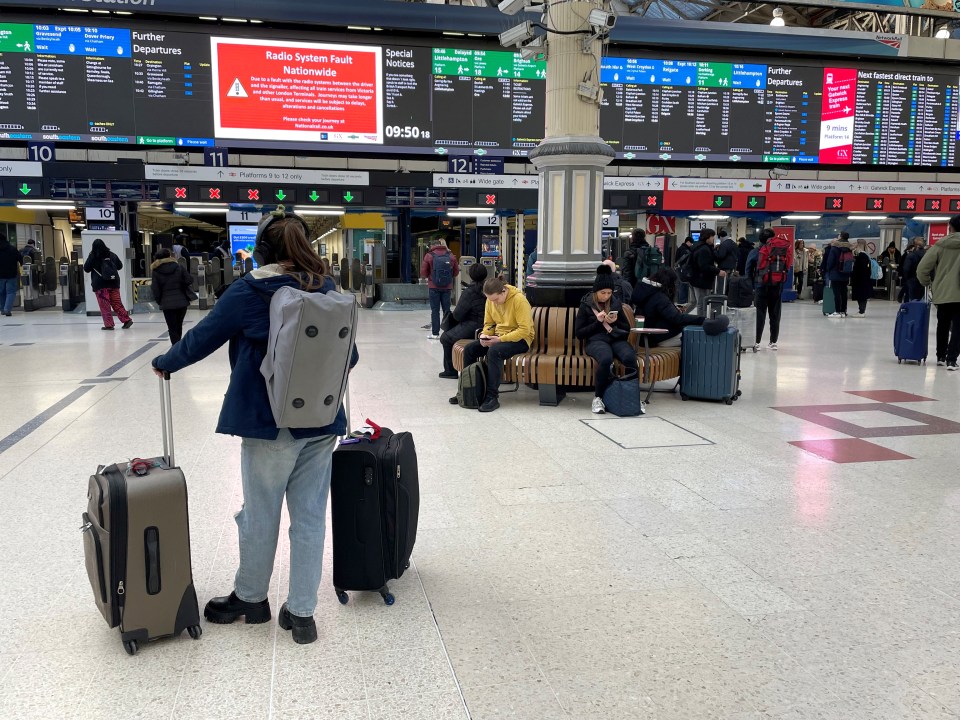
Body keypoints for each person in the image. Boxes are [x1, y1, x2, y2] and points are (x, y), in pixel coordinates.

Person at [151, 210, 358, 644]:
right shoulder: (327, 289)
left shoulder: (249, 290)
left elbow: (199, 340)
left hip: (271, 427)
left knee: (260, 513)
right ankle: (302, 614)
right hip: (322, 422)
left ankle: (251, 598)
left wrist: (163, 363)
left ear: (262, 249)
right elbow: (349, 357)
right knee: (309, 518)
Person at [450, 277, 534, 413]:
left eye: (495, 299)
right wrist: (484, 335)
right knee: (470, 349)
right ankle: (467, 389)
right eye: (490, 300)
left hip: (521, 340)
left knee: (495, 352)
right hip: (498, 337)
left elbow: (524, 331)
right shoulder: (490, 300)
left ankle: (492, 397)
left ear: (503, 291)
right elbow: (489, 323)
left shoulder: (519, 300)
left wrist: (500, 340)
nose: (493, 302)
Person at [576, 265, 637, 414]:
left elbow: (626, 329)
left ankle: (633, 396)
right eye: (603, 292)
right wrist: (597, 322)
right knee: (605, 359)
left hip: (616, 339)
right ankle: (598, 398)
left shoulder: (616, 303)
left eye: (609, 293)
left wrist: (614, 322)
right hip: (596, 341)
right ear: (596, 291)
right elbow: (579, 333)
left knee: (629, 357)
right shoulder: (586, 305)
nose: (606, 296)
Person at [917, 215, 960, 370]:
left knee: (943, 324)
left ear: (951, 227)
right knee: (958, 327)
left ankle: (940, 356)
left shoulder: (940, 246)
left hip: (942, 293)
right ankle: (952, 359)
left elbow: (922, 268)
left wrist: (927, 283)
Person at [631, 267, 705, 347]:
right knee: (698, 338)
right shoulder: (659, 297)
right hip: (659, 337)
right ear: (669, 283)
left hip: (648, 337)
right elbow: (677, 318)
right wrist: (702, 319)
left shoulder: (647, 292)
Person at [439, 263, 488, 379]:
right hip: (488, 325)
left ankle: (450, 370)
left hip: (473, 325)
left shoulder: (470, 292)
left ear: (470, 275)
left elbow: (458, 315)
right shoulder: (489, 287)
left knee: (445, 338)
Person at [751, 228, 792, 351]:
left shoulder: (757, 251)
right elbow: (788, 265)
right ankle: (773, 342)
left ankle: (757, 342)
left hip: (761, 285)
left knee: (760, 313)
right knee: (775, 314)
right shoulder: (783, 249)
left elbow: (749, 268)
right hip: (777, 284)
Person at [83, 239, 133, 330]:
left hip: (100, 285)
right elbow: (120, 266)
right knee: (117, 303)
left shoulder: (93, 256)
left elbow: (86, 268)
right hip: (114, 283)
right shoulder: (112, 255)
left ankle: (109, 325)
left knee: (105, 305)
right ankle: (126, 320)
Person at [151, 248, 195, 344]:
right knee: (179, 325)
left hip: (166, 303)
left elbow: (155, 289)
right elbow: (189, 280)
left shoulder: (156, 271)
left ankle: (175, 347)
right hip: (182, 302)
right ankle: (178, 347)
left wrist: (160, 301)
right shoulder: (179, 267)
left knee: (172, 327)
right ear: (169, 256)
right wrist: (180, 283)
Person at [421, 234, 459, 340]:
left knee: (435, 310)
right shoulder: (450, 255)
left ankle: (435, 333)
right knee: (447, 310)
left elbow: (423, 273)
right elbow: (456, 272)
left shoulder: (429, 255)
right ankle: (449, 332)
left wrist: (430, 277)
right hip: (447, 287)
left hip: (434, 287)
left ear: (432, 246)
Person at [688, 229, 725, 315]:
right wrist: (718, 271)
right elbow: (704, 266)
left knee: (696, 302)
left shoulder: (698, 246)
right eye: (712, 236)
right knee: (702, 303)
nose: (713, 239)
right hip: (701, 280)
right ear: (707, 237)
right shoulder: (704, 249)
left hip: (695, 279)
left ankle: (690, 319)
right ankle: (701, 323)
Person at [821, 232, 852, 318]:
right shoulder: (849, 248)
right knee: (844, 293)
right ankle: (843, 311)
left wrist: (828, 269)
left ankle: (837, 311)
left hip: (835, 273)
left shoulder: (835, 248)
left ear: (840, 237)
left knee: (837, 293)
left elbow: (830, 261)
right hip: (845, 273)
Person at [0, 233, 22, 317]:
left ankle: (2, 309)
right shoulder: (12, 249)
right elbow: (20, 258)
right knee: (11, 292)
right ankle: (7, 309)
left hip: (0, 275)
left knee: (1, 292)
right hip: (11, 274)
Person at [850, 239, 873, 317]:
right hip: (864, 279)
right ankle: (861, 310)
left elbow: (860, 269)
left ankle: (861, 311)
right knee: (862, 295)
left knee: (861, 296)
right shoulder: (866, 255)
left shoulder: (861, 256)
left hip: (860, 280)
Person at [899, 237, 926, 302]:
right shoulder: (927, 255)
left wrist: (907, 278)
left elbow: (906, 269)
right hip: (923, 280)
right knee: (920, 299)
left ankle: (910, 310)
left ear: (915, 246)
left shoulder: (911, 255)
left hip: (912, 279)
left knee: (911, 299)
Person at [674, 236, 695, 306]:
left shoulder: (680, 248)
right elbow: (684, 261)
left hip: (679, 269)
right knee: (683, 285)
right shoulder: (685, 250)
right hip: (683, 270)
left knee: (681, 285)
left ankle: (681, 301)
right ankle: (682, 302)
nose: (691, 245)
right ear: (688, 242)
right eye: (691, 243)